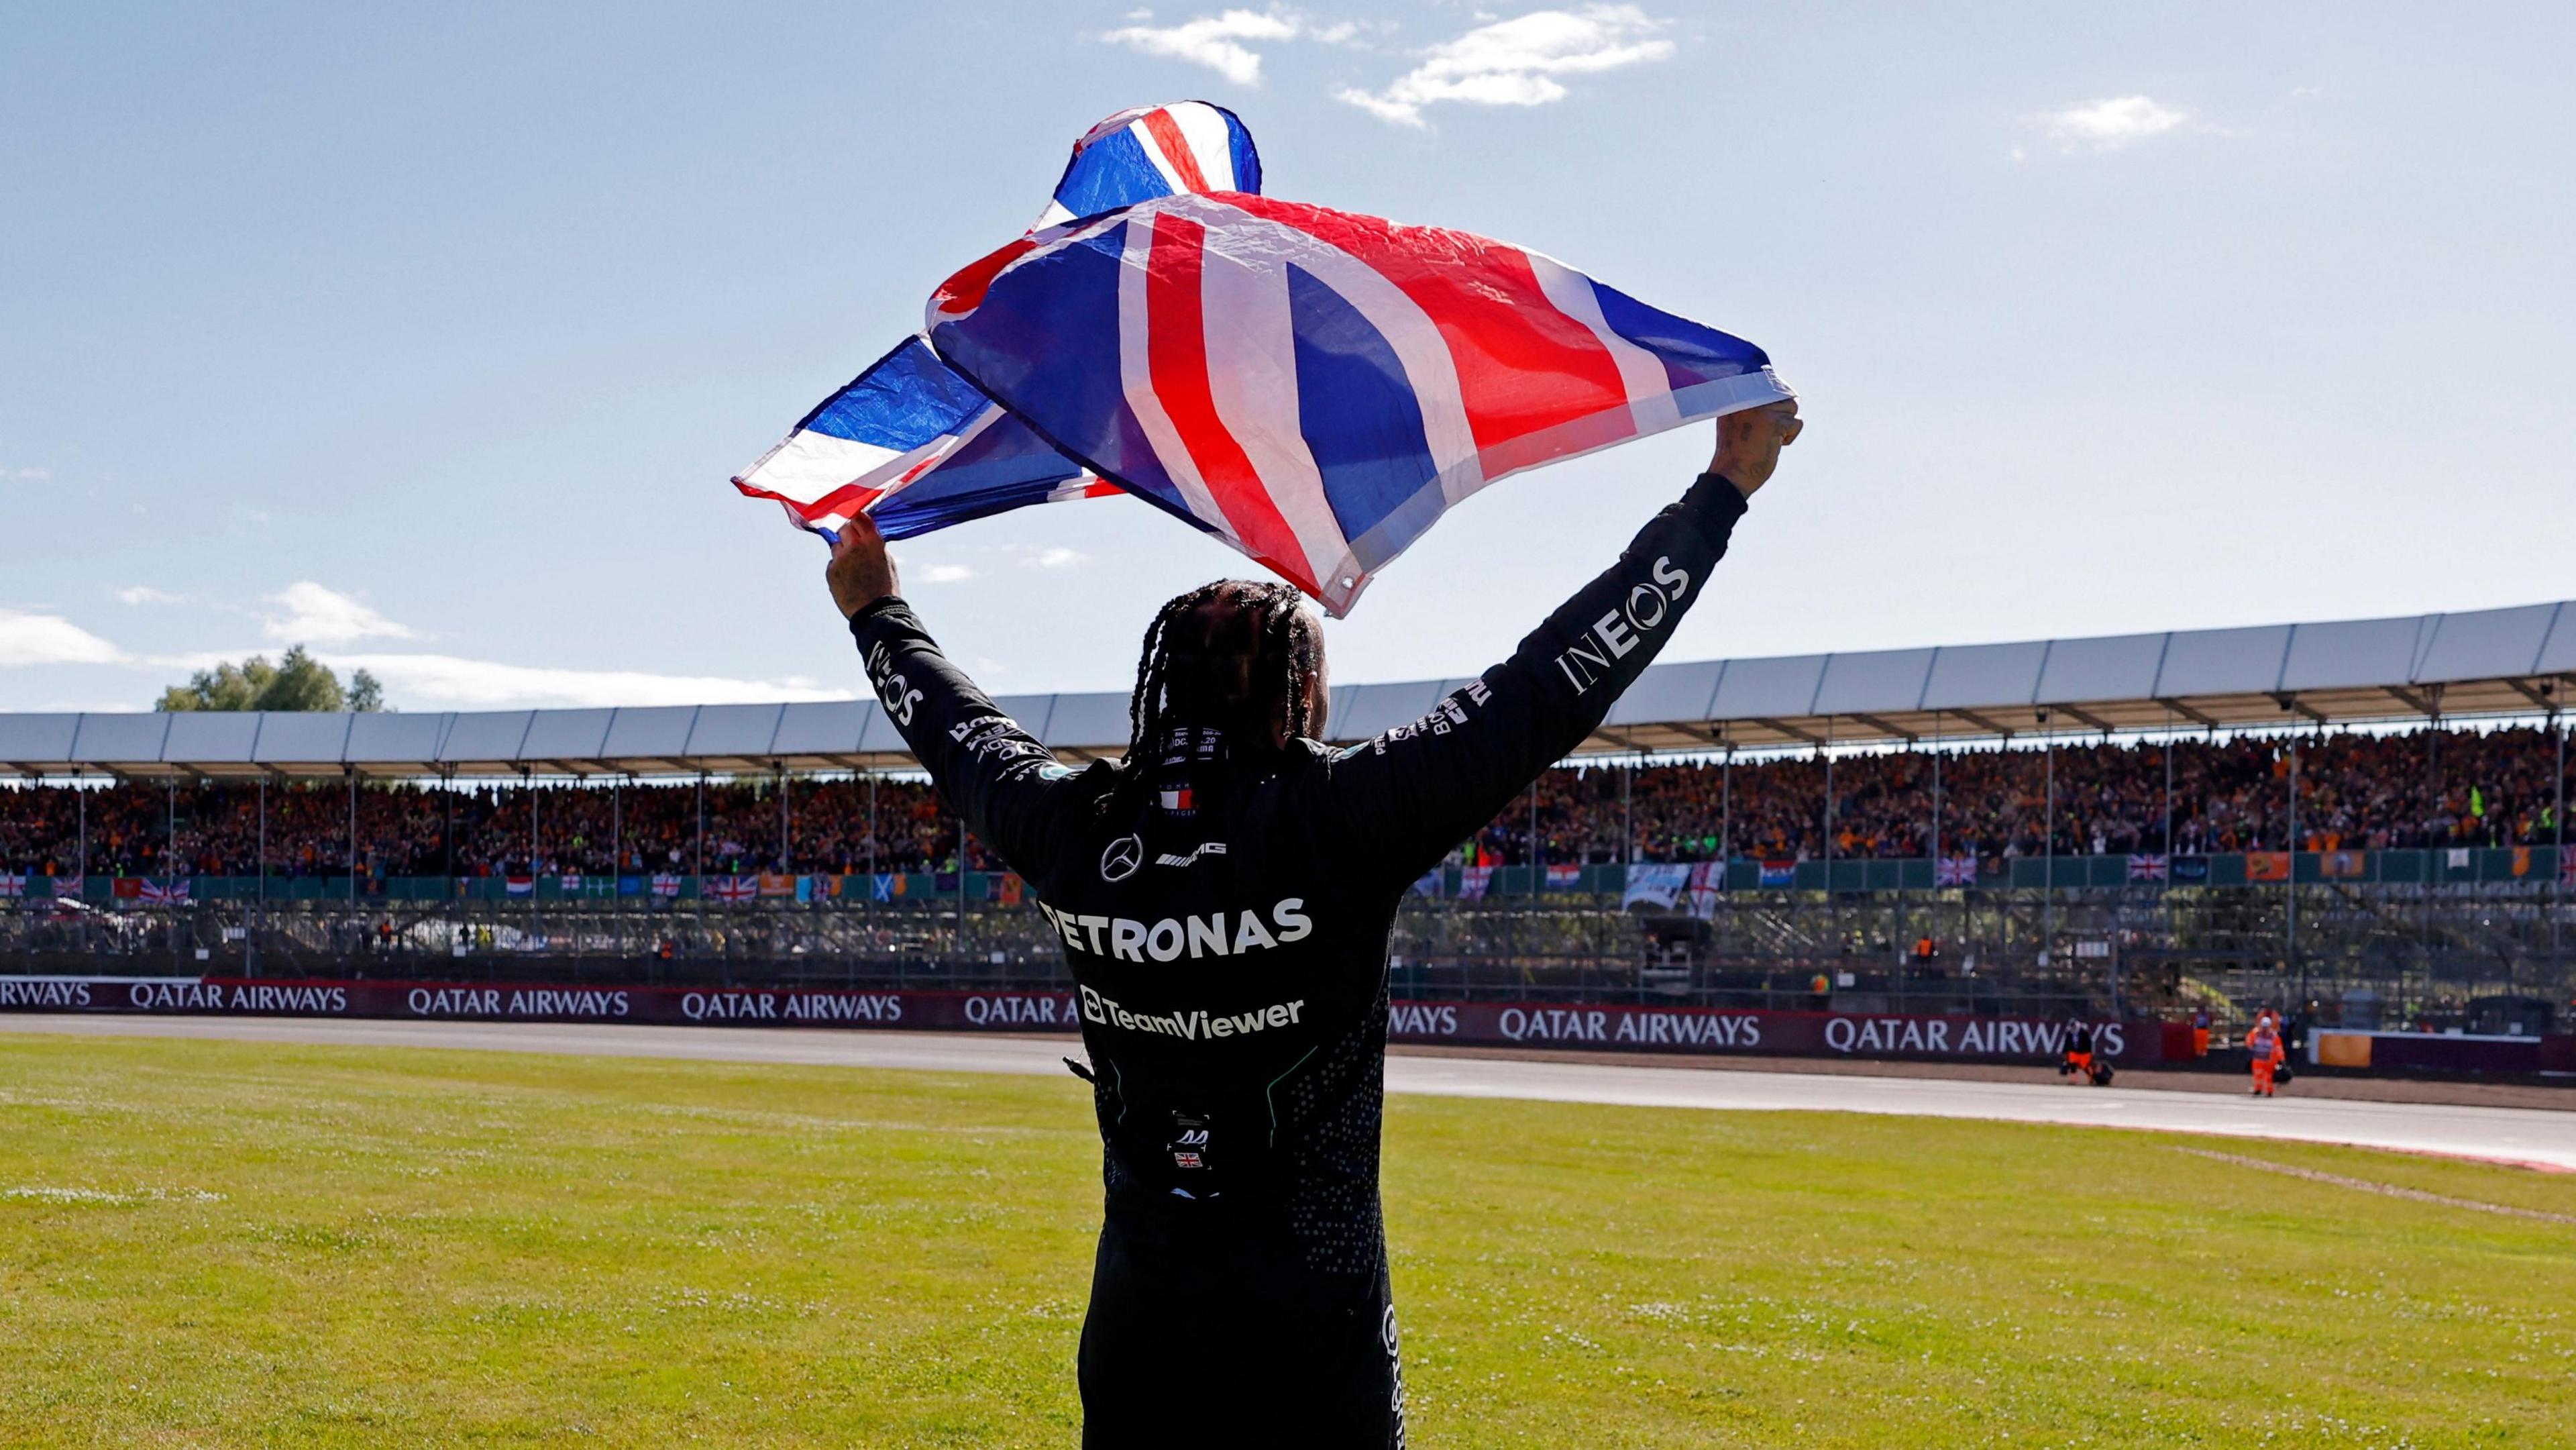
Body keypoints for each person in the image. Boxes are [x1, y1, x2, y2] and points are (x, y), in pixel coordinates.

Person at [824, 402, 1801, 1447]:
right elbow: (1548, 686)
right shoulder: (1340, 817)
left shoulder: (1069, 827)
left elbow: (959, 732)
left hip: (1139, 1318)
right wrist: (1720, 493)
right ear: (1289, 692)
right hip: (1309, 1323)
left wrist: (878, 612)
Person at [2246, 1009, 2286, 1096]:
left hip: (2269, 1059)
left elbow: (2279, 1048)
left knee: (2268, 1076)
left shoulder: (2273, 1036)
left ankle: (2269, 1091)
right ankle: (2258, 1090)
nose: (2264, 1028)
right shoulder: (2255, 1033)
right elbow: (2249, 1042)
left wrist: (2282, 1059)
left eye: (2266, 1026)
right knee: (2258, 1075)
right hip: (2259, 1058)